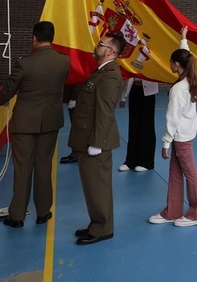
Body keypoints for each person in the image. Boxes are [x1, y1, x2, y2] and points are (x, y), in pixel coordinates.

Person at [0, 21, 70, 228]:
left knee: (22, 169)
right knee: (44, 166)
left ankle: (17, 216)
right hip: (50, 121)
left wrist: (2, 96)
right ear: (52, 38)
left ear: (34, 38)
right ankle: (43, 212)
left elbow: (6, 93)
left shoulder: (25, 63)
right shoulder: (64, 62)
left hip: (24, 123)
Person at [69, 31, 125, 245]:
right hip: (87, 137)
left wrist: (97, 143)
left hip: (96, 141)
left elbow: (105, 111)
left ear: (111, 51)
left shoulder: (110, 75)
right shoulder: (101, 72)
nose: (97, 46)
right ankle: (96, 223)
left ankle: (103, 229)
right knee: (91, 187)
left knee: (98, 187)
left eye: (101, 44)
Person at [149, 37, 197, 227]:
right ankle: (172, 211)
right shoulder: (191, 78)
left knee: (190, 173)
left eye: (171, 63)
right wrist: (183, 41)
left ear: (176, 64)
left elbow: (172, 118)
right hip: (186, 135)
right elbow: (188, 57)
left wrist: (165, 143)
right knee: (175, 172)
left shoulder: (178, 89)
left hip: (181, 138)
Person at [118, 76, 159, 172]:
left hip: (148, 93)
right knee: (133, 126)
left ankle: (146, 162)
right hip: (134, 90)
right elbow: (130, 77)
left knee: (147, 127)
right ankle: (130, 161)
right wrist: (124, 97)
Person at [59, 84, 82, 164]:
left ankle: (78, 154)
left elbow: (81, 79)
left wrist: (75, 97)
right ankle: (77, 153)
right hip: (71, 96)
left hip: (78, 98)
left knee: (78, 127)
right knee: (76, 127)